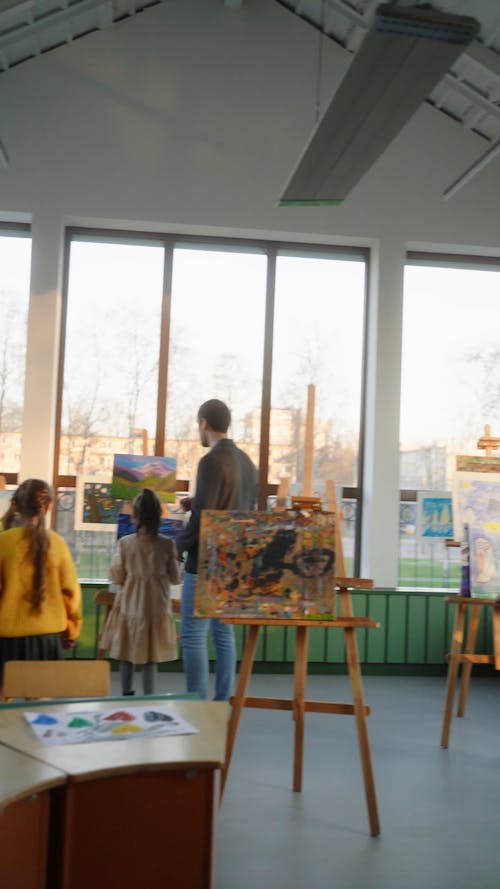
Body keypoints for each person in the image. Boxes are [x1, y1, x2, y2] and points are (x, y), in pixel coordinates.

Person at [177, 398, 258, 700]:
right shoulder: (249, 464)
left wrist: (179, 544)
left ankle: (195, 704)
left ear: (204, 423)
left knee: (193, 635)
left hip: (205, 564)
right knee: (224, 635)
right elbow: (238, 510)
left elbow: (204, 517)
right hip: (234, 565)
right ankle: (223, 703)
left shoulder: (210, 461)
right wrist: (195, 503)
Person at [0, 478, 82, 687]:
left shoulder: (3, 542)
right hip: (48, 640)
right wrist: (71, 631)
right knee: (42, 709)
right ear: (48, 508)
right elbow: (71, 593)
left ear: (15, 506)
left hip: (5, 641)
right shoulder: (58, 544)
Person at [101, 488, 179, 695]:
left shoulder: (125, 544)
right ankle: (149, 696)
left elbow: (117, 577)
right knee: (151, 656)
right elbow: (175, 577)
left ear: (135, 515)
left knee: (126, 652)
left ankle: (126, 693)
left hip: (130, 605)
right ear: (158, 515)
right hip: (157, 606)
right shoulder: (167, 544)